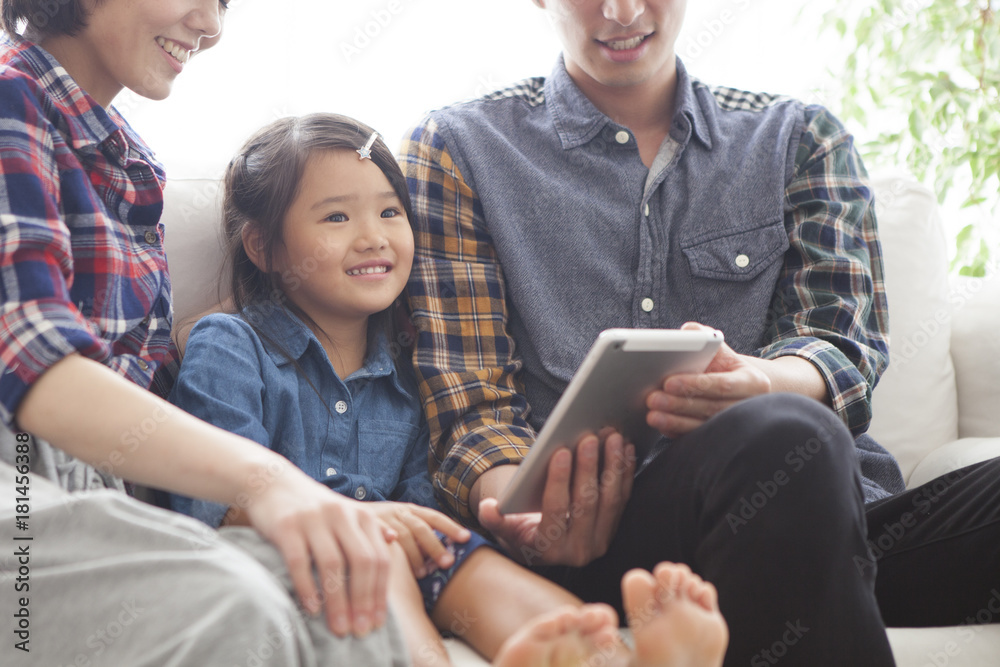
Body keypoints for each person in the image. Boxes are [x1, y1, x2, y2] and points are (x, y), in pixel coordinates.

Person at [399, 0, 1000, 665]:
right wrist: (517, 511)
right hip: (603, 536)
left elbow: (841, 344)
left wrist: (762, 381)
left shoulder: (799, 138)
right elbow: (469, 406)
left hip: (830, 515)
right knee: (784, 433)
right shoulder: (459, 148)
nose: (622, 10)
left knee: (791, 433)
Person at [165, 112, 729, 667]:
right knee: (376, 549)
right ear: (263, 248)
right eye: (336, 218)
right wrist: (357, 521)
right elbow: (210, 497)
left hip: (395, 558)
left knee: (463, 560)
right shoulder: (230, 344)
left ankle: (611, 658)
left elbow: (421, 509)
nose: (373, 237)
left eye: (390, 212)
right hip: (274, 551)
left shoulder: (408, 372)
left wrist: (429, 533)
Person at [0, 1, 407, 665]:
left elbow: (134, 385)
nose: (211, 25)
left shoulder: (124, 157)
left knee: (345, 598)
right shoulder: (9, 100)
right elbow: (34, 358)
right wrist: (269, 479)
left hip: (98, 492)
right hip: (20, 471)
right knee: (230, 606)